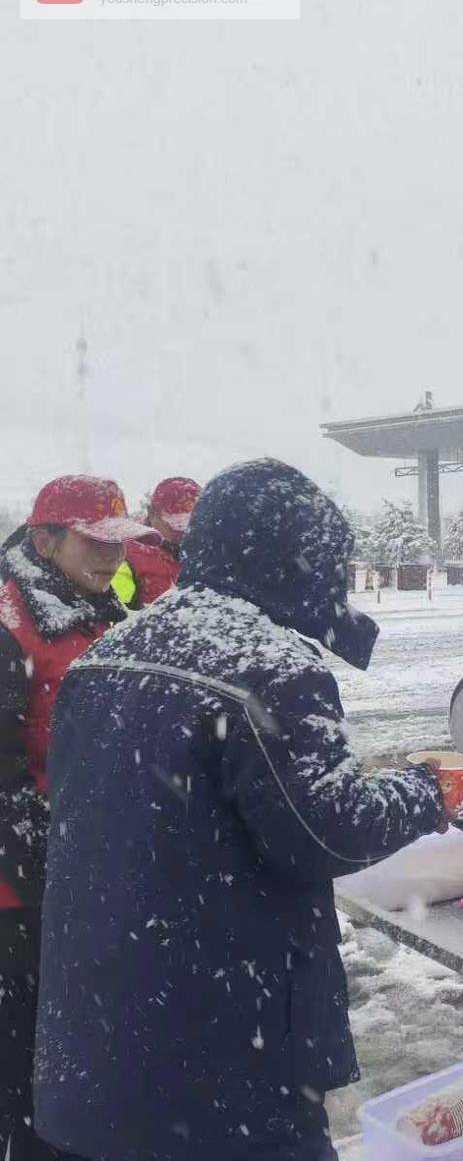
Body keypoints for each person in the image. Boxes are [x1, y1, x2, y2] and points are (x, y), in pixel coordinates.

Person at [34, 460, 450, 1161]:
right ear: (300, 560)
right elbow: (327, 831)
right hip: (220, 1042)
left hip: (99, 1016)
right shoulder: (270, 666)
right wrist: (426, 791)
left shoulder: (109, 651)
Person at [0, 476, 159, 1161]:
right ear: (46, 541)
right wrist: (42, 867)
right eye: (95, 543)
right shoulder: (10, 623)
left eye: (118, 544)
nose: (112, 558)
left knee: (76, 1054)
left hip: (82, 867)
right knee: (25, 1058)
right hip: (20, 890)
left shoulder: (98, 608)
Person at [112, 475, 201, 608]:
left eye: (192, 523)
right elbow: (117, 612)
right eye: (175, 524)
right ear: (152, 514)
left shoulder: (209, 552)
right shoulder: (123, 555)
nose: (184, 532)